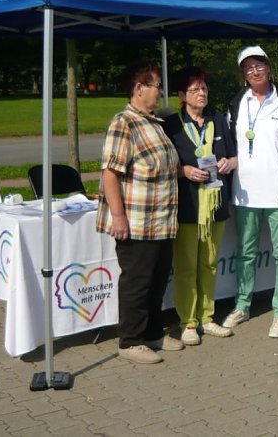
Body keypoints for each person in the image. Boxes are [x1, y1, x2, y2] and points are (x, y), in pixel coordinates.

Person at [96, 61, 183, 364]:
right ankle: (130, 341)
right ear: (138, 88)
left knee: (157, 281)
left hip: (161, 221)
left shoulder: (153, 122)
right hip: (137, 223)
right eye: (157, 86)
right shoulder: (124, 123)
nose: (160, 92)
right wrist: (118, 216)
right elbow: (110, 173)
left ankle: (153, 333)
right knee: (137, 282)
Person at [224, 45, 278, 339]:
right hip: (244, 193)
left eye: (259, 65)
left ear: (269, 67)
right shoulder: (236, 103)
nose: (255, 71)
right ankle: (242, 305)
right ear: (243, 74)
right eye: (249, 68)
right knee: (245, 253)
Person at [163, 66, 238, 346]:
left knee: (209, 264)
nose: (201, 93)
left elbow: (235, 157)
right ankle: (188, 322)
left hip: (215, 204)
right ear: (182, 95)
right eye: (194, 89)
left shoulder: (218, 120)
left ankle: (207, 317)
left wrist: (230, 163)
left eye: (204, 88)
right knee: (186, 267)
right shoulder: (171, 125)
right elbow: (164, 166)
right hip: (187, 205)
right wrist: (183, 171)